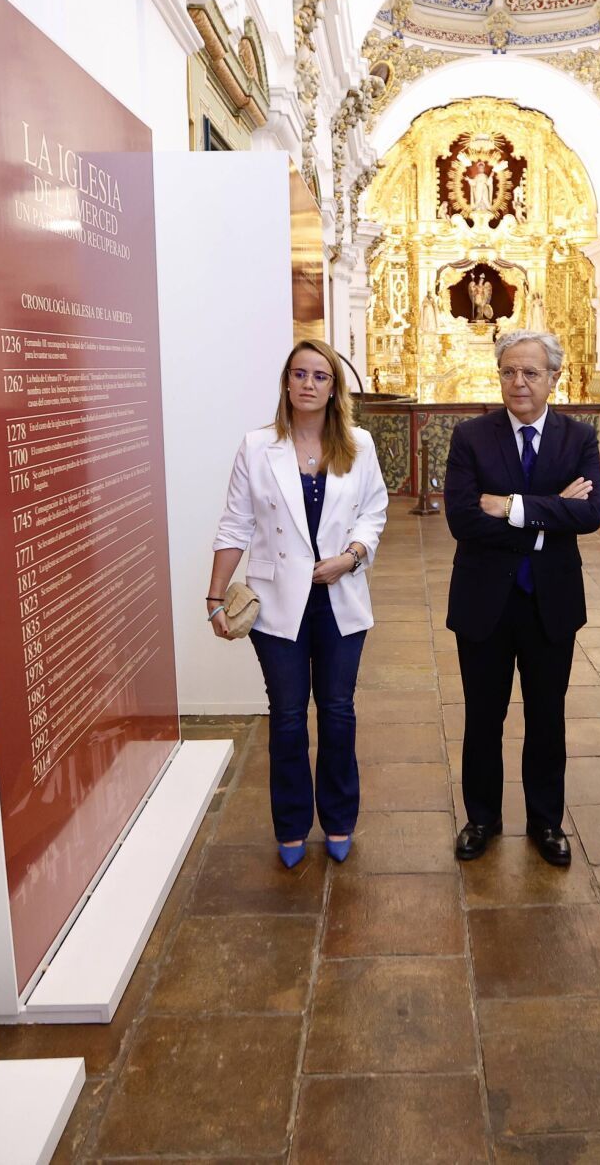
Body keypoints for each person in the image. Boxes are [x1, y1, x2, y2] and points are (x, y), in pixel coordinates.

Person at [211, 339, 389, 867]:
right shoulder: (256, 446)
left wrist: (351, 557)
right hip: (274, 604)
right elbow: (235, 523)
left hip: (340, 597)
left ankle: (338, 819)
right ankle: (290, 826)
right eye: (299, 375)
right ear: (286, 383)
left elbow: (373, 513)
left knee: (337, 713)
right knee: (287, 717)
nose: (308, 384)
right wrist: (215, 596)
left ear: (335, 388)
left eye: (320, 376)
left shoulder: (357, 445)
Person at [446, 330, 600, 866]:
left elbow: (590, 515)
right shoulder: (470, 436)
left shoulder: (578, 437)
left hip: (550, 602)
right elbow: (462, 518)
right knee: (482, 717)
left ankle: (546, 821)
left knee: (546, 716)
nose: (519, 382)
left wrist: (510, 507)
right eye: (509, 371)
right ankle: (482, 818)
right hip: (483, 601)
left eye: (531, 372)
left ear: (553, 378)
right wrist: (545, 514)